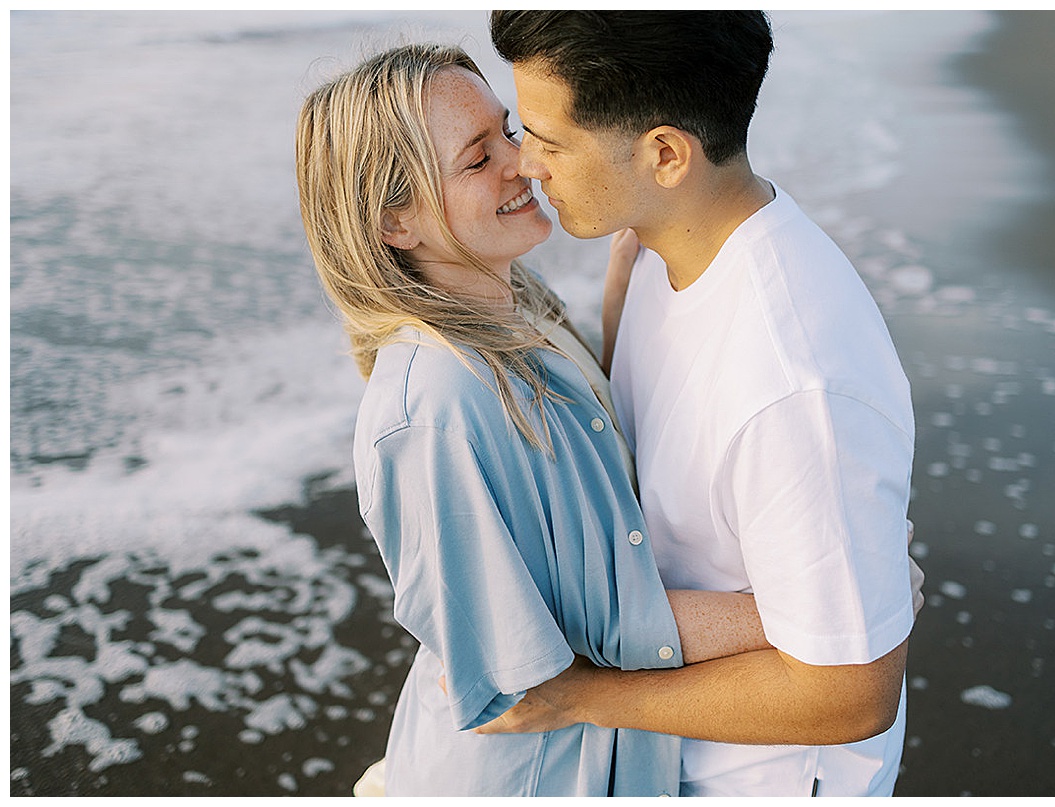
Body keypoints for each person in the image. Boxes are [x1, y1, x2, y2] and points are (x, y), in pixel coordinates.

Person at [294, 43, 778, 796]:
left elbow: (592, 504)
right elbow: (534, 662)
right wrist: (811, 607)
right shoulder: (432, 412)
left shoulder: (521, 305)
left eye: (509, 132)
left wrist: (623, 310)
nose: (523, 163)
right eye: (476, 158)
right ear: (396, 220)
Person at [479, 11, 917, 796]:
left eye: (550, 140)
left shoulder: (794, 384)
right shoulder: (653, 246)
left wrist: (580, 697)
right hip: (662, 757)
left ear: (666, 154)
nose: (524, 163)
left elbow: (852, 694)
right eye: (522, 129)